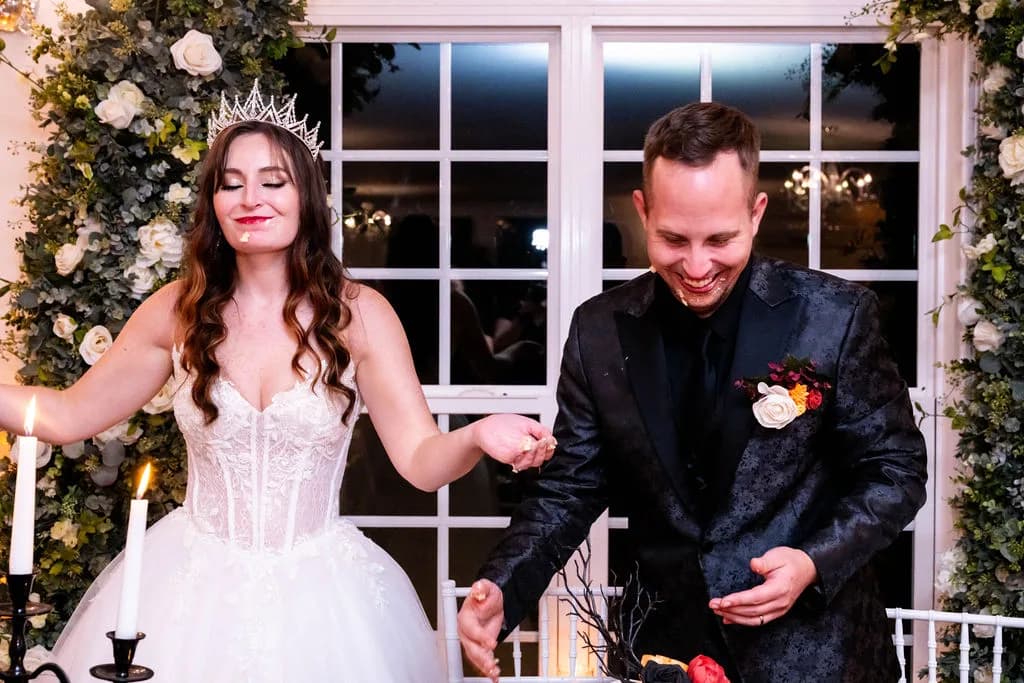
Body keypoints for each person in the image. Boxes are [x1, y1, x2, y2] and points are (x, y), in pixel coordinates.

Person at [0, 83, 557, 682]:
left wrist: (476, 434)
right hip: (188, 591)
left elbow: (421, 462)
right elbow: (65, 415)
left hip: (324, 598)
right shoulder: (176, 311)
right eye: (230, 183)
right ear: (213, 202)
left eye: (273, 181)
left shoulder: (360, 314)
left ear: (306, 196)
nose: (250, 199)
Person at [458, 102, 927, 682]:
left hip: (818, 655)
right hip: (666, 652)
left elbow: (896, 470)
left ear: (756, 214)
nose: (698, 266)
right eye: (673, 239)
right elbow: (570, 488)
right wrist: (505, 586)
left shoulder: (835, 316)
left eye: (720, 239)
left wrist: (812, 562)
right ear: (642, 211)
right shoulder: (597, 330)